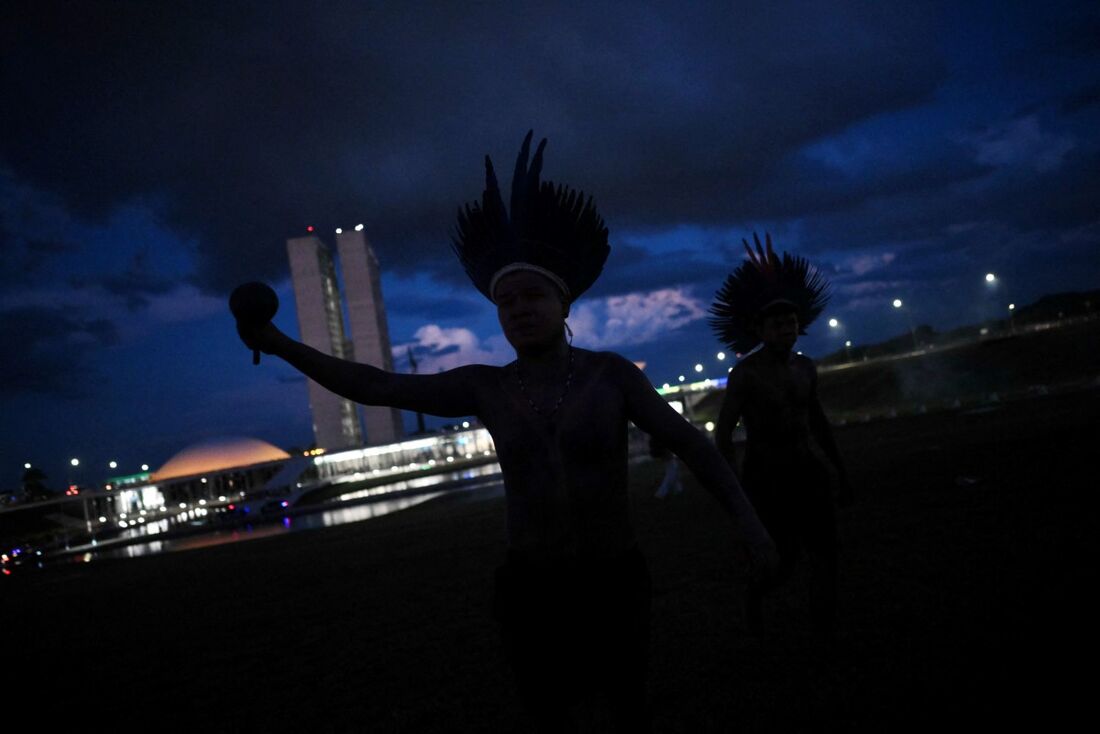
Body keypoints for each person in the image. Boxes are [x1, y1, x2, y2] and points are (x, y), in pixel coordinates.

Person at [237, 132, 775, 732]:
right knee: (552, 718)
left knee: (626, 711)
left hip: (613, 578)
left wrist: (750, 525)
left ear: (563, 303)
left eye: (533, 295)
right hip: (532, 588)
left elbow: (692, 444)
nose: (519, 308)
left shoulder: (610, 376)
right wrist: (279, 343)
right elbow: (376, 386)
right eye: (506, 300)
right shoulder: (486, 388)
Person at [711, 233, 853, 640]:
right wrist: (735, 487)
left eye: (790, 323)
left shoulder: (806, 368)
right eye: (776, 324)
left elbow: (818, 422)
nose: (786, 329)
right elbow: (724, 432)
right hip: (768, 479)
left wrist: (839, 472)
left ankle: (823, 625)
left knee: (827, 552)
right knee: (783, 558)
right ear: (759, 330)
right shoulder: (746, 374)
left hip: (810, 471)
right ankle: (755, 603)